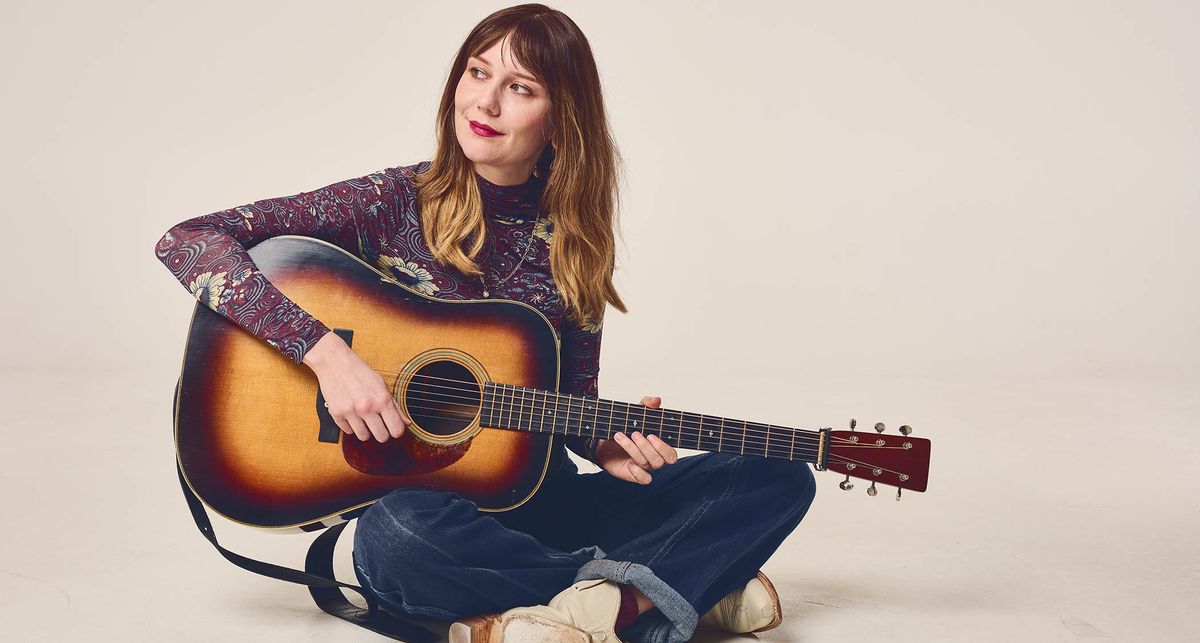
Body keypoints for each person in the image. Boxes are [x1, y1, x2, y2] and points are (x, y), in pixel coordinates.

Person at [155, 4, 816, 642]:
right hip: (436, 516)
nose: (486, 102)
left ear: (560, 122)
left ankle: (594, 603)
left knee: (779, 474)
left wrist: (600, 441)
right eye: (477, 73)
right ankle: (658, 590)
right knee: (395, 539)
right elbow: (191, 239)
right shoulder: (392, 201)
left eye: (519, 87)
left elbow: (568, 400)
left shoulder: (575, 242)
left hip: (538, 503)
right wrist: (327, 355)